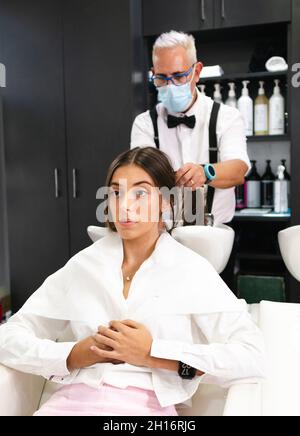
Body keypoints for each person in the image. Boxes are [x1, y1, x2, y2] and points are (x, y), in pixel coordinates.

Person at [0, 147, 265, 416]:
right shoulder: (84, 265)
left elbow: (250, 356)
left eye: (140, 192)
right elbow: (8, 337)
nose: (125, 205)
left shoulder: (191, 270)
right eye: (116, 192)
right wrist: (73, 355)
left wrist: (154, 353)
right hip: (68, 405)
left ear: (166, 201)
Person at [131, 30, 251, 225]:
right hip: (162, 233)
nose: (170, 86)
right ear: (153, 74)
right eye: (162, 78)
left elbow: (238, 171)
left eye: (179, 77)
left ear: (196, 72)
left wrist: (205, 172)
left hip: (214, 237)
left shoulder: (226, 117)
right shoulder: (144, 123)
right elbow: (140, 178)